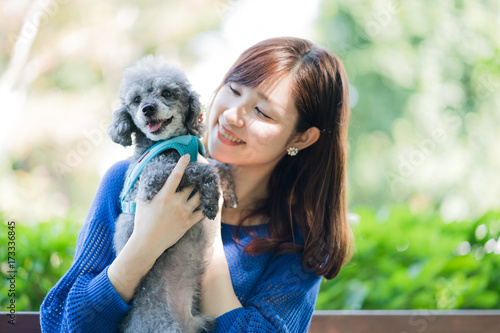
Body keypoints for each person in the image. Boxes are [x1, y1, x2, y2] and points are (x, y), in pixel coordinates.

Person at [40, 36, 353, 333]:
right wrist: (143, 247)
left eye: (261, 111)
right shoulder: (126, 181)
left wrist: (209, 234)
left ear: (302, 136)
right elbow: (59, 322)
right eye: (234, 89)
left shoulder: (301, 240)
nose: (232, 115)